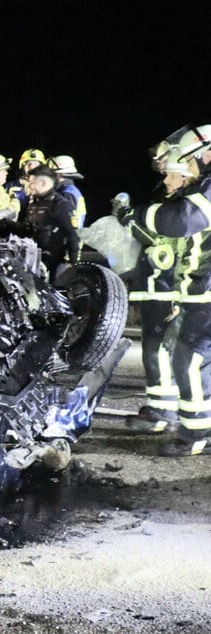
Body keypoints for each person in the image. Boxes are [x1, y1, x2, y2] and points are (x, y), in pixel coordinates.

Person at [129, 124, 211, 456]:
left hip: (206, 293)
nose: (175, 175)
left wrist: (136, 216)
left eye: (185, 165)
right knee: (197, 362)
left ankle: (195, 435)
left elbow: (179, 221)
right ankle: (200, 430)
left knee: (188, 360)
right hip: (199, 292)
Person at [118, 150, 194, 433]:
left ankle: (165, 411)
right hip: (157, 288)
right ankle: (161, 407)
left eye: (170, 173)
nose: (165, 178)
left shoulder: (182, 208)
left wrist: (132, 221)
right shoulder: (176, 204)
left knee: (161, 352)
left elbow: (164, 244)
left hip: (165, 290)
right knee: (157, 352)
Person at [15, 164, 79, 277]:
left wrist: (73, 265)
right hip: (34, 260)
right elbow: (26, 229)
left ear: (43, 183)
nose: (29, 187)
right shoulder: (34, 204)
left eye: (32, 183)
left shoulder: (61, 205)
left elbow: (73, 236)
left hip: (55, 263)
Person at [48, 155, 87, 229]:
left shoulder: (67, 193)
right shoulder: (71, 190)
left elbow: (66, 220)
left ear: (59, 174)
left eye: (52, 173)